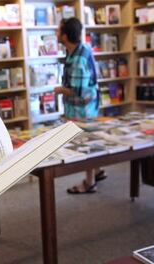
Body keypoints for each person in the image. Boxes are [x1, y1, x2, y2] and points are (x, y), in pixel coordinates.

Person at [55, 17, 106, 194]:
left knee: (86, 142)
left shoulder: (78, 59)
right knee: (90, 137)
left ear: (66, 36)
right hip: (85, 105)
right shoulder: (78, 49)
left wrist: (60, 90)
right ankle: (98, 171)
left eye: (59, 31)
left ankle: (90, 182)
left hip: (82, 108)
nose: (56, 33)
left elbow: (78, 90)